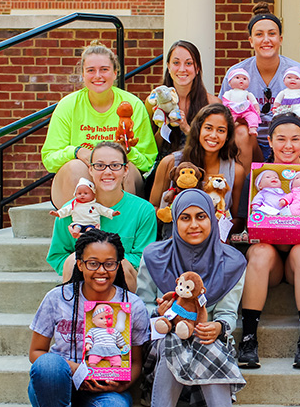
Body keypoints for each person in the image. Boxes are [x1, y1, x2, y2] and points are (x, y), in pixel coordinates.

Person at [0, 229, 150, 407]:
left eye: (109, 264)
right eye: (92, 263)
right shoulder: (57, 298)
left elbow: (135, 362)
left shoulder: (133, 305)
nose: (101, 271)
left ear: (118, 266)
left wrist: (121, 387)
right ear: (80, 264)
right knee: (49, 365)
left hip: (105, 392)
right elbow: (36, 352)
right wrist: (78, 369)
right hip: (55, 387)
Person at [138, 189, 247, 407]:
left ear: (212, 218)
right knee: (174, 341)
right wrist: (158, 312)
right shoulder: (154, 256)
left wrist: (218, 327)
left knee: (203, 341)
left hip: (210, 343)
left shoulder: (232, 261)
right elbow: (142, 308)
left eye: (201, 217)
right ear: (174, 221)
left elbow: (228, 313)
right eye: (185, 218)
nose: (194, 225)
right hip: (163, 344)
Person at [235, 113, 300, 369]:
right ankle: (248, 338)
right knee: (259, 252)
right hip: (269, 259)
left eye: (295, 139)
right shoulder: (257, 176)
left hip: (298, 262)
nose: (288, 146)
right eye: (281, 139)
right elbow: (244, 221)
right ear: (269, 141)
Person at [43, 40, 157, 208]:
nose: (98, 75)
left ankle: (124, 228)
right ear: (82, 74)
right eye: (91, 70)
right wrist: (77, 152)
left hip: (119, 180)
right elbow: (49, 158)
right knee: (75, 167)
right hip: (81, 181)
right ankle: (80, 227)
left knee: (125, 169)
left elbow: (148, 161)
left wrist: (127, 152)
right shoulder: (68, 105)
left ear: (115, 73)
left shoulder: (132, 104)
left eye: (104, 69)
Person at [219, 2, 300, 171]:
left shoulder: (299, 73)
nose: (266, 40)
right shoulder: (236, 73)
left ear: (280, 39)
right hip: (252, 142)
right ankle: (244, 194)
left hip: (285, 143)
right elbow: (225, 120)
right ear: (251, 41)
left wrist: (284, 135)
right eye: (259, 34)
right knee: (241, 133)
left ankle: (298, 194)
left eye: (272, 34)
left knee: (298, 139)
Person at [47, 142, 156, 293]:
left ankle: (126, 314)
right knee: (72, 260)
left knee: (122, 264)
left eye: (115, 166)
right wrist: (90, 264)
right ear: (90, 170)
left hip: (124, 284)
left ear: (125, 170)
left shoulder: (143, 210)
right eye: (100, 166)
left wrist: (106, 260)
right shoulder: (71, 209)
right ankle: (75, 313)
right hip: (83, 282)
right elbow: (58, 256)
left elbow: (142, 258)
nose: (107, 172)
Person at [149, 104, 245, 237]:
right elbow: (151, 209)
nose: (213, 135)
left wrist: (211, 226)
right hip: (174, 239)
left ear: (228, 136)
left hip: (215, 241)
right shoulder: (170, 163)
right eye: (208, 128)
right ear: (198, 130)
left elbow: (239, 221)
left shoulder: (236, 171)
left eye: (221, 130)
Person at [149, 40, 222, 160]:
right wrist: (163, 127)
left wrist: (186, 128)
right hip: (164, 165)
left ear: (197, 68)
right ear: (168, 66)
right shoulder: (154, 100)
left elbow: (216, 148)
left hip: (199, 163)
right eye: (176, 63)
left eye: (188, 63)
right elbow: (150, 149)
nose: (182, 69)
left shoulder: (212, 104)